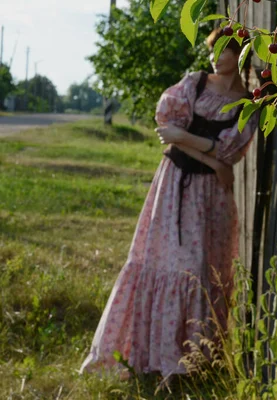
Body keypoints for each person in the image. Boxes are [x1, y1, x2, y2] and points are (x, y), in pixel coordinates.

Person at [79, 28, 258, 379]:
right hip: (175, 186)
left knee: (203, 270)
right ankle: (156, 358)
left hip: (212, 200)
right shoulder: (194, 84)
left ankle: (195, 363)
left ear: (241, 54)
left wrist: (192, 142)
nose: (214, 57)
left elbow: (230, 151)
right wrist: (211, 158)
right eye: (212, 49)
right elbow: (167, 131)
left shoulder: (247, 103)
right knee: (171, 264)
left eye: (223, 50)